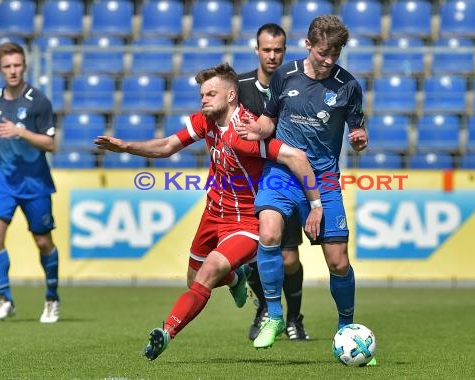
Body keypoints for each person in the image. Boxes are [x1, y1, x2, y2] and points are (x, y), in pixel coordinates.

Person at [94, 63, 322, 361]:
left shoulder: (245, 132)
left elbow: (294, 156)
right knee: (194, 280)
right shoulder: (206, 122)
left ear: (230, 96)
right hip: (212, 215)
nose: (203, 99)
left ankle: (166, 332)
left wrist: (314, 205)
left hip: (245, 222)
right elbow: (165, 146)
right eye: (202, 94)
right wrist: (125, 147)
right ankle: (237, 280)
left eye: (210, 94)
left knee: (209, 272)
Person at [236, 15, 375, 365]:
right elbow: (269, 120)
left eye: (336, 53)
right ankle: (273, 314)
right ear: (309, 45)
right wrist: (256, 128)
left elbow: (357, 129)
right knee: (267, 232)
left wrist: (359, 138)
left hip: (324, 177)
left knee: (338, 261)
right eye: (324, 52)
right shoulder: (285, 76)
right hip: (282, 172)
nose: (329, 60)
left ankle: (347, 330)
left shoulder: (349, 86)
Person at [238, 23, 310, 341]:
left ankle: (294, 318)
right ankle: (267, 310)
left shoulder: (297, 84)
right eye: (266, 49)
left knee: (289, 258)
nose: (272, 55)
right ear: (256, 50)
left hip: (283, 180)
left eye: (277, 50)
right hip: (247, 183)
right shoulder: (239, 87)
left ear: (284, 50)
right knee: (251, 254)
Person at [0, 42, 60, 323]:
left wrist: (20, 131)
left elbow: (50, 143)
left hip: (35, 183)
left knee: (43, 242)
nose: (13, 71)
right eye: (8, 66)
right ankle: (5, 298)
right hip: (3, 179)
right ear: (0, 69)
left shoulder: (38, 101)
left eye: (17, 65)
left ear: (24, 66)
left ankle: (52, 298)